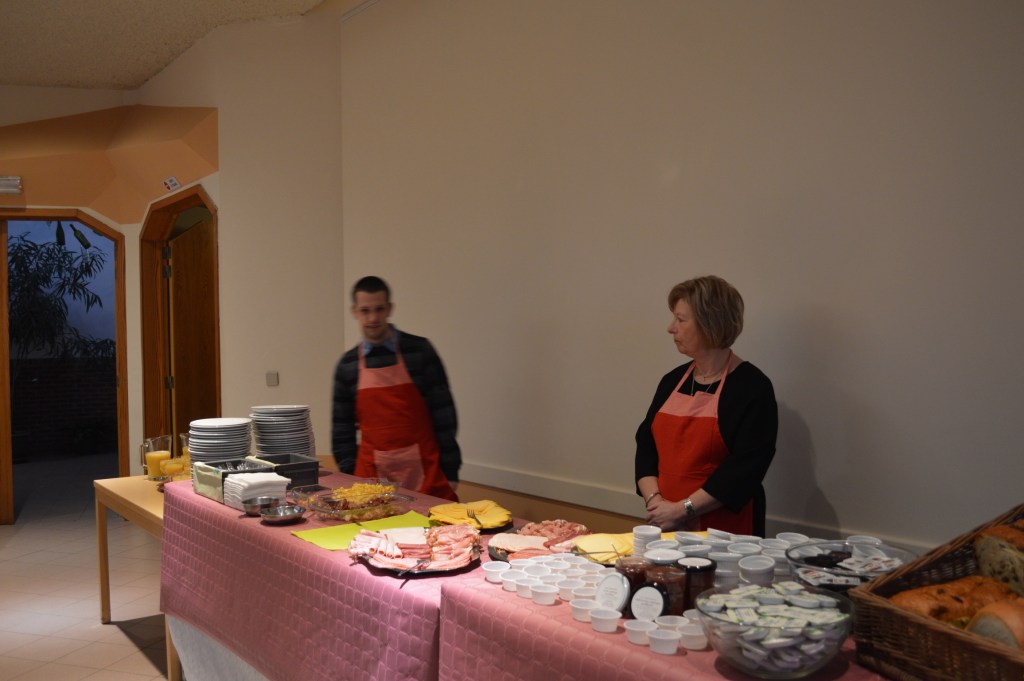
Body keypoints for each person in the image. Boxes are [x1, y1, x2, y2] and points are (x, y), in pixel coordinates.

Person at [634, 275, 777, 536]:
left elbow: (746, 467)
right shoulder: (672, 381)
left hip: (725, 535)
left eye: (680, 319)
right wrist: (656, 503)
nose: (671, 328)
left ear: (709, 323)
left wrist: (682, 510)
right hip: (665, 524)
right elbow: (646, 446)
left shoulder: (751, 387)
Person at [331, 275, 461, 500]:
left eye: (379, 309)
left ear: (389, 309)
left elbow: (444, 413)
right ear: (355, 312)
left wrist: (450, 469)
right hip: (370, 478)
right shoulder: (347, 366)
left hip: (427, 473)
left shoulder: (420, 352)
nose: (373, 318)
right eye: (365, 311)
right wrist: (351, 477)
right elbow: (342, 429)